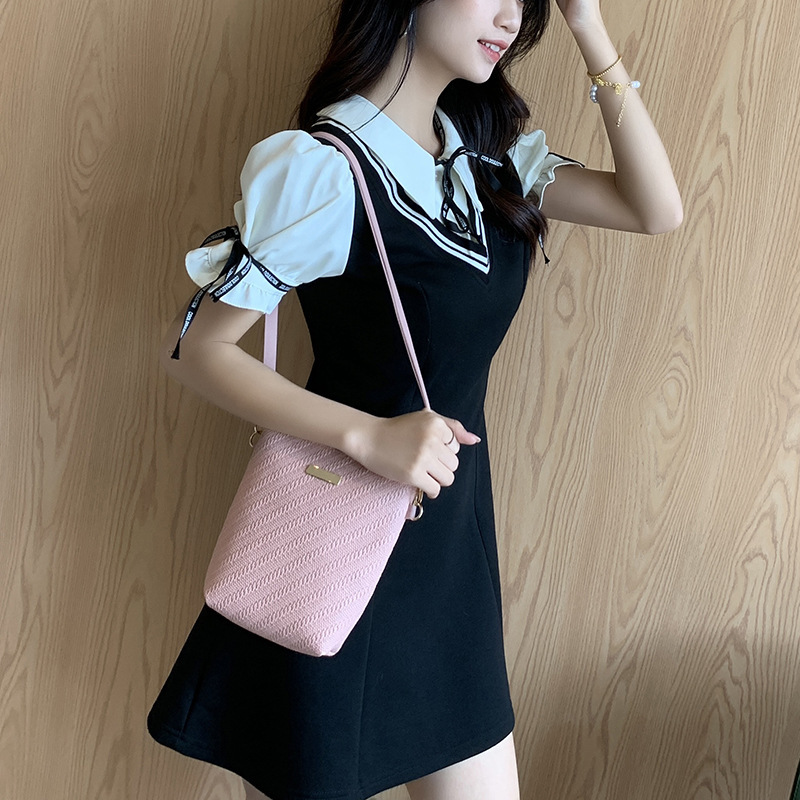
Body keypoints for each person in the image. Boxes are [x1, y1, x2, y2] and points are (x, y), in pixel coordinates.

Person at [147, 0, 682, 798]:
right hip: (331, 547)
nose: (510, 15)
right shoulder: (326, 168)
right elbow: (197, 349)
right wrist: (366, 436)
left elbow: (655, 209)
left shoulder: (489, 160)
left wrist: (589, 29)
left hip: (448, 553)